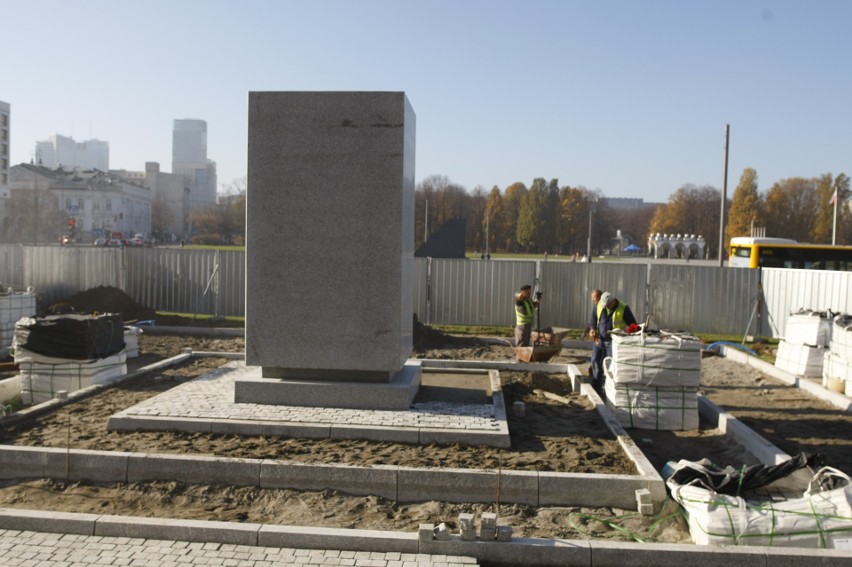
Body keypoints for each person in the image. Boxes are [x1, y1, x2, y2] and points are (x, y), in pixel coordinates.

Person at [597, 292, 638, 368]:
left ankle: (609, 379)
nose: (606, 307)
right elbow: (594, 316)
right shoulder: (601, 304)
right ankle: (597, 380)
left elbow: (633, 325)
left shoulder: (623, 308)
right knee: (595, 362)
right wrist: (592, 328)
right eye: (604, 305)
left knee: (610, 364)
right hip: (599, 340)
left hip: (613, 341)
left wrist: (627, 334)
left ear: (613, 301)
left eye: (607, 305)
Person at [588, 289, 604, 385]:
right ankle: (596, 383)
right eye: (593, 299)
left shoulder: (607, 307)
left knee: (605, 363)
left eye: (595, 299)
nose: (594, 301)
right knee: (594, 360)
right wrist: (592, 329)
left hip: (609, 341)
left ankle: (601, 382)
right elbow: (593, 321)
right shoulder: (596, 308)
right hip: (598, 339)